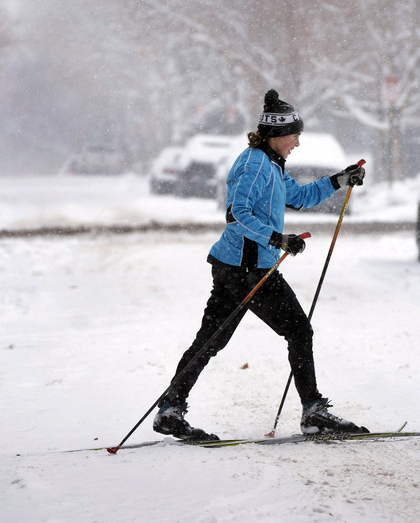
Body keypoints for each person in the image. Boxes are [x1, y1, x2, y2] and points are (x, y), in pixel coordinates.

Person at [153, 89, 367, 440]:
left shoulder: (271, 164)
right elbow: (238, 213)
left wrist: (340, 180)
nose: (298, 142)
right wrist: (277, 240)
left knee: (210, 341)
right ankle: (313, 411)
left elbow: (299, 197)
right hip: (248, 268)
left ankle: (170, 409)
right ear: (278, 135)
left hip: (234, 265)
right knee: (298, 330)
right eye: (295, 135)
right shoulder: (254, 165)